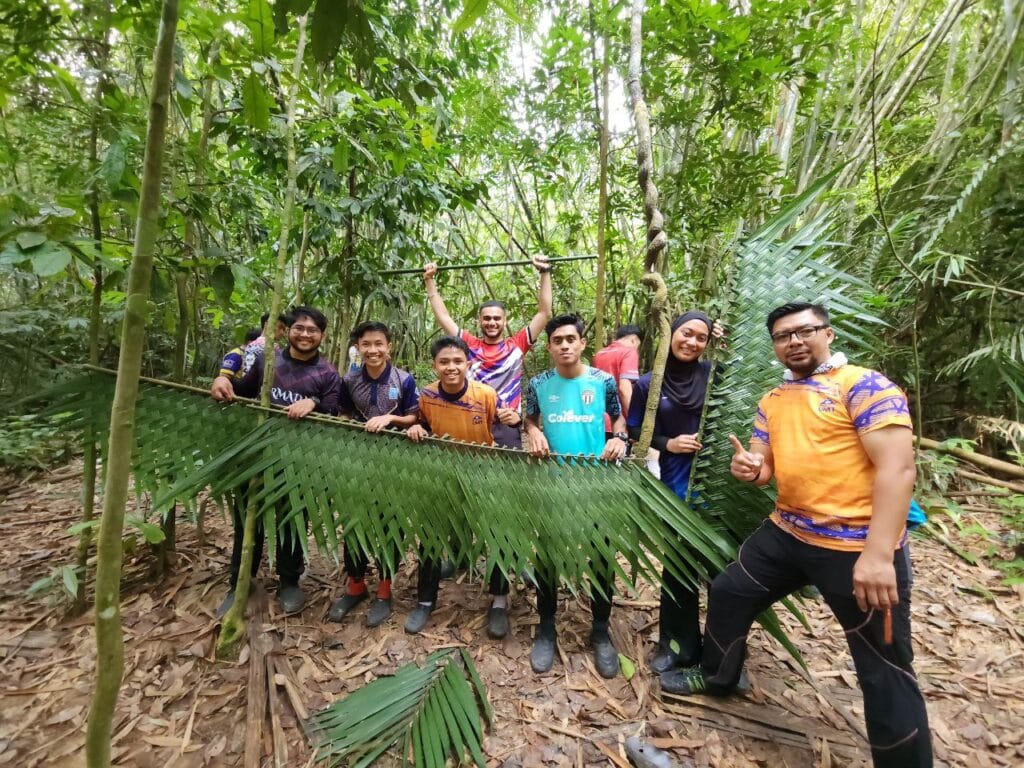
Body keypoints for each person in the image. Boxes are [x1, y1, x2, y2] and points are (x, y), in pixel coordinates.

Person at [660, 302, 932, 768]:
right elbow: (763, 468)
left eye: (804, 331)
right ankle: (718, 676)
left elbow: (898, 469)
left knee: (883, 666)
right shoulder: (773, 400)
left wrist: (879, 555)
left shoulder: (865, 385)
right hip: (788, 532)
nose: (794, 342)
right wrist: (750, 468)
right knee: (729, 591)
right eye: (783, 336)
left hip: (857, 545)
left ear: (828, 334)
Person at [210, 306, 341, 616]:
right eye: (299, 328)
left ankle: (289, 582)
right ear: (288, 330)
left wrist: (314, 403)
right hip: (257, 456)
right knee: (248, 521)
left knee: (293, 521)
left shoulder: (328, 373)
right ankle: (239, 583)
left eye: (312, 330)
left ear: (322, 336)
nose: (305, 334)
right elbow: (241, 390)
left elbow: (335, 412)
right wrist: (221, 381)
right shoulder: (267, 361)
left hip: (300, 460)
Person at [523, 314, 628, 678]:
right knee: (547, 557)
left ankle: (600, 631)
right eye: (558, 340)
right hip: (552, 483)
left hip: (596, 484)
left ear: (583, 343)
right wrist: (533, 431)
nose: (565, 345)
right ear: (549, 346)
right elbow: (530, 419)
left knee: (601, 557)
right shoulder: (538, 384)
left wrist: (619, 438)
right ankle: (546, 628)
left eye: (571, 339)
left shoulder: (603, 381)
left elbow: (618, 418)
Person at [626, 311, 722, 674]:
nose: (692, 342)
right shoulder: (648, 383)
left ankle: (723, 651)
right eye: (686, 333)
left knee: (721, 570)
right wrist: (669, 443)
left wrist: (729, 344)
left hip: (717, 483)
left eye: (701, 337)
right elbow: (636, 430)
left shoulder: (716, 374)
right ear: (671, 334)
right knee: (678, 567)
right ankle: (676, 645)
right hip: (676, 482)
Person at [404, 336, 499, 635]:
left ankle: (499, 601)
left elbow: (499, 429)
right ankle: (425, 601)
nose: (451, 367)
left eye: (458, 361)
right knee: (430, 536)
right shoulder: (427, 394)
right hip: (441, 474)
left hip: (481, 474)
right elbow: (425, 423)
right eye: (444, 362)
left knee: (495, 533)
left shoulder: (486, 395)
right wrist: (417, 427)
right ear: (434, 365)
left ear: (468, 363)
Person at [330, 321, 420, 628]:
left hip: (394, 464)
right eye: (366, 344)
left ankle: (384, 588)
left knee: (389, 523)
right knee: (353, 520)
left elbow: (414, 417)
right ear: (358, 347)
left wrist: (390, 418)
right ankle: (355, 584)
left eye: (379, 343)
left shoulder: (404, 379)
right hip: (357, 462)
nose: (373, 350)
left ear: (388, 346)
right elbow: (343, 413)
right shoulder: (349, 379)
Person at [422, 255, 551, 449]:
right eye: (487, 318)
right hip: (472, 417)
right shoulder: (468, 345)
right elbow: (443, 316)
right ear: (479, 321)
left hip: (507, 421)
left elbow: (543, 313)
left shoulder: (516, 346)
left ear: (505, 321)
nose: (492, 322)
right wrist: (429, 280)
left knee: (507, 466)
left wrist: (545, 272)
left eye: (497, 318)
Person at [593, 324, 642, 434]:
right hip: (618, 422)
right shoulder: (629, 352)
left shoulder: (599, 354)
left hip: (598, 418)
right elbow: (624, 390)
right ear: (633, 340)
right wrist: (633, 422)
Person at [217, 311, 290, 381]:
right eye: (280, 327)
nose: (282, 332)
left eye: (284, 329)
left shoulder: (253, 346)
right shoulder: (266, 346)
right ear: (267, 325)